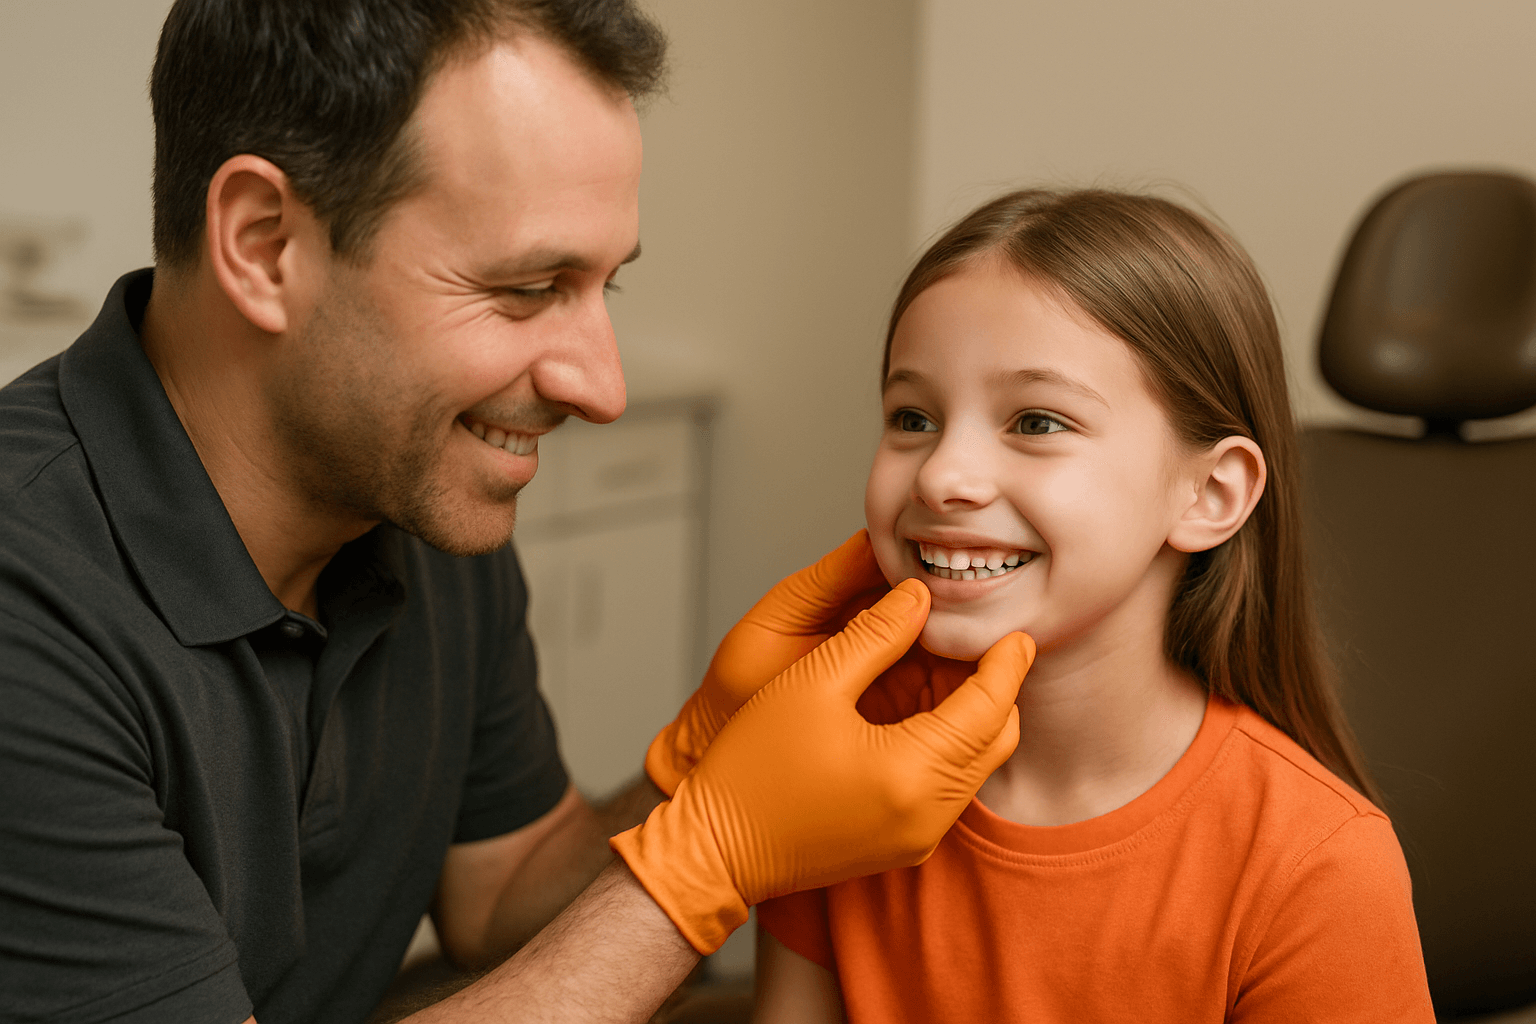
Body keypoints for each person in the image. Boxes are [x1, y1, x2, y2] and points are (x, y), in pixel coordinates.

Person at [0, 3, 1034, 1022]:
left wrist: (702, 765)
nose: (601, 386)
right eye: (530, 287)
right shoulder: (27, 604)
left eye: (603, 290)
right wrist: (710, 858)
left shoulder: (406, 493)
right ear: (266, 244)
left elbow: (502, 896)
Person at [752, 189, 1437, 1023]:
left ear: (1210, 494)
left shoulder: (1317, 864)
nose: (940, 476)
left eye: (1036, 421)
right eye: (913, 417)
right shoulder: (834, 767)